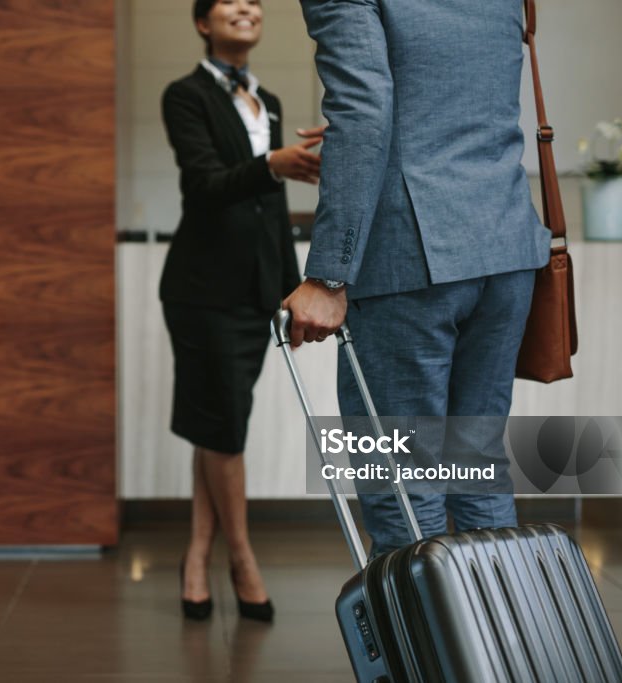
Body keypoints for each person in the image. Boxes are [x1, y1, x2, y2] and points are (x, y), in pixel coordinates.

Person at [283, 0, 552, 555]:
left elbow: (362, 108)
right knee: (478, 466)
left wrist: (329, 274)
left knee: (403, 484)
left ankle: (425, 644)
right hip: (504, 244)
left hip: (412, 256)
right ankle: (498, 640)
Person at [160, 0, 325, 621]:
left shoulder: (270, 100)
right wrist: (271, 164)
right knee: (225, 426)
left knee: (218, 425)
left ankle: (197, 552)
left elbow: (268, 211)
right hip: (202, 289)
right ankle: (241, 557)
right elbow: (203, 186)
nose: (247, 8)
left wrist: (292, 287)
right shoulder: (185, 95)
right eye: (230, 1)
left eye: (254, 1)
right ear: (203, 21)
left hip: (257, 288)